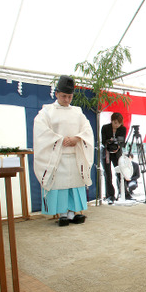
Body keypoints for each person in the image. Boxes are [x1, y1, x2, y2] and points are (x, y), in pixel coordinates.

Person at [33, 75, 94, 226]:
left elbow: (87, 129)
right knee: (60, 186)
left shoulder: (77, 111)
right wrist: (60, 140)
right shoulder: (47, 111)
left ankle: (73, 213)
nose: (67, 100)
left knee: (74, 185)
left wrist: (77, 138)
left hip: (74, 155)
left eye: (69, 96)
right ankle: (62, 214)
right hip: (57, 156)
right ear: (56, 94)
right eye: (64, 96)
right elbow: (41, 131)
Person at [101, 112, 127, 204]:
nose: (116, 125)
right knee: (108, 174)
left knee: (120, 172)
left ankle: (124, 192)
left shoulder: (123, 129)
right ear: (111, 121)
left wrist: (115, 142)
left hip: (117, 152)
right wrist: (110, 142)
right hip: (106, 152)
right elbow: (103, 141)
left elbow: (122, 143)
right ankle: (110, 195)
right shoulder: (105, 127)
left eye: (118, 123)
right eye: (115, 122)